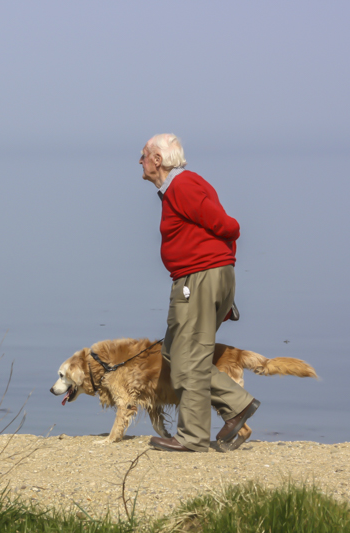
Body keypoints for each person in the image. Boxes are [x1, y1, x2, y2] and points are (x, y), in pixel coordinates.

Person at [140, 133, 259, 452]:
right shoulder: (177, 189)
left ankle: (193, 436)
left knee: (188, 357)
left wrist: (216, 273)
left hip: (200, 279)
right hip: (203, 278)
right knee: (173, 352)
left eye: (143, 156)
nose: (139, 162)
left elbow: (227, 225)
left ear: (157, 160)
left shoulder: (183, 186)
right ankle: (235, 405)